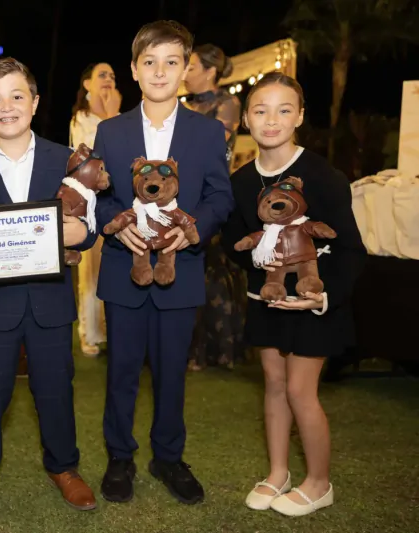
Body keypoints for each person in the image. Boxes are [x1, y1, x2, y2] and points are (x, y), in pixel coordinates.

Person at [0, 57, 99, 520]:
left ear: (34, 102)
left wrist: (84, 232)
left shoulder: (66, 159)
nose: (6, 106)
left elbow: (88, 228)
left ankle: (64, 467)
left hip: (51, 301)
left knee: (56, 388)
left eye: (16, 96)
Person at [93, 20, 234, 505]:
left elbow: (220, 197)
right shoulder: (109, 132)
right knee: (122, 373)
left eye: (172, 62)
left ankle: (168, 457)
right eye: (150, 62)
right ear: (134, 70)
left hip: (182, 272)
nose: (160, 71)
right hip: (122, 270)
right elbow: (99, 197)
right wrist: (118, 223)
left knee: (172, 372)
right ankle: (119, 457)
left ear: (185, 70)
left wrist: (193, 230)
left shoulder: (208, 131)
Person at [221, 72, 365, 516]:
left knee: (302, 391)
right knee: (275, 385)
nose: (271, 120)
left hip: (314, 303)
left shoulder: (323, 175)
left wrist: (321, 296)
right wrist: (264, 269)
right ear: (246, 118)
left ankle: (319, 482)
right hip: (269, 301)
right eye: (261, 110)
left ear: (300, 116)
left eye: (284, 110)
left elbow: (351, 250)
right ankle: (278, 472)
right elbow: (234, 241)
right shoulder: (242, 181)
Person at [182, 43, 246, 370]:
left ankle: (220, 351)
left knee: (214, 275)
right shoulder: (183, 105)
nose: (184, 74)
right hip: (182, 195)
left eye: (190, 67)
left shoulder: (228, 103)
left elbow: (213, 144)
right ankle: (189, 351)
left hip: (212, 196)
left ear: (209, 71)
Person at [69, 62, 121, 356]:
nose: (108, 80)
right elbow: (93, 161)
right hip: (91, 203)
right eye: (102, 75)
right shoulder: (81, 119)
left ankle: (111, 329)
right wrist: (112, 115)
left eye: (112, 76)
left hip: (120, 202)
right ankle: (89, 332)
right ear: (86, 83)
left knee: (114, 267)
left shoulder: (122, 116)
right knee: (91, 271)